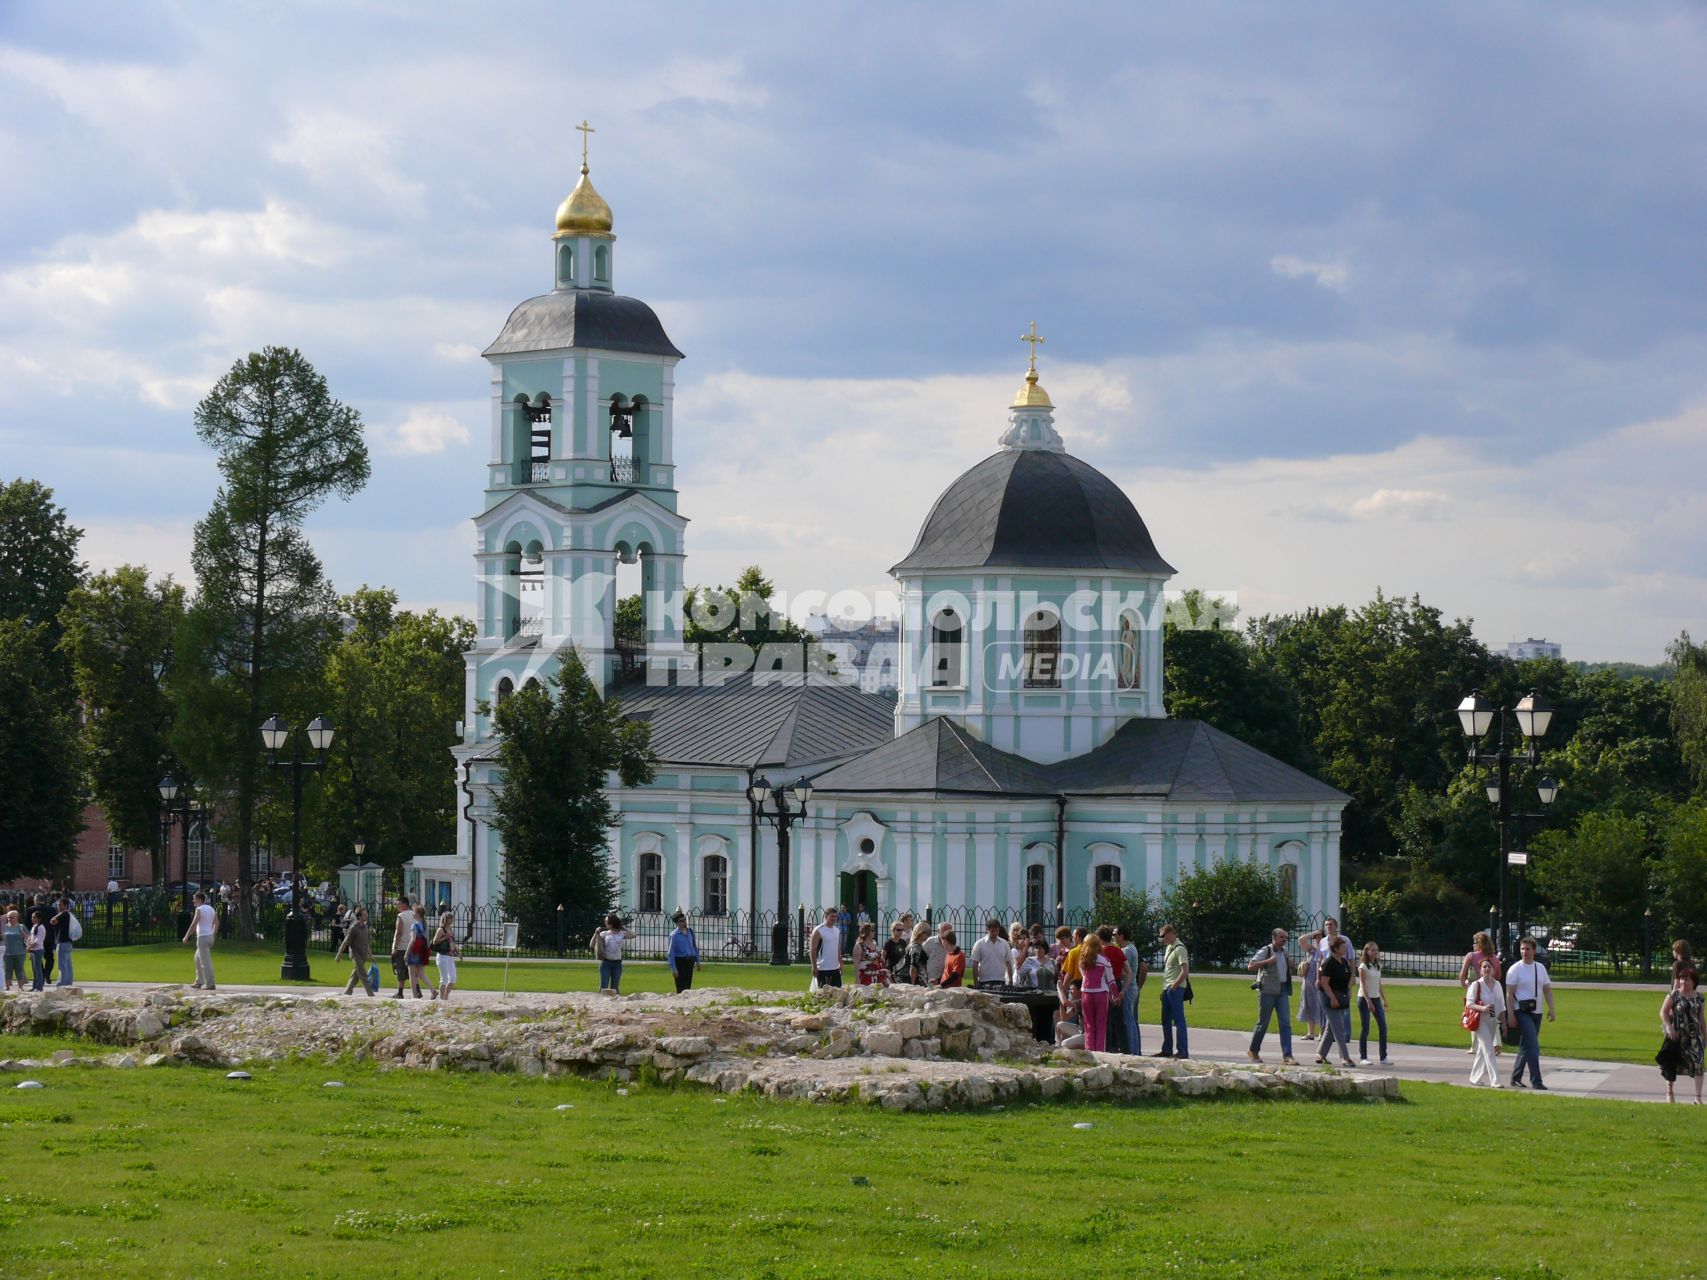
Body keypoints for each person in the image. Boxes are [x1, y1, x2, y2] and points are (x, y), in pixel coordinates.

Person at [1504, 936, 1556, 1089]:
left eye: (1527, 949)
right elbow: (1509, 994)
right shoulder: (1515, 969)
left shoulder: (1540, 968)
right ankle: (1537, 1081)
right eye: (1522, 949)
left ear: (1534, 950)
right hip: (1521, 1011)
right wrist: (1511, 1014)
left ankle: (1515, 1077)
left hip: (1537, 1012)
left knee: (1526, 1046)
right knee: (1533, 1045)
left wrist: (1551, 1009)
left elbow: (1547, 989)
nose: (1524, 952)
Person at [1247, 926, 1297, 1065]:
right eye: (1281, 937)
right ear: (1274, 938)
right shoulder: (1266, 950)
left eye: (1286, 938)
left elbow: (1288, 967)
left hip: (1282, 990)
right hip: (1267, 991)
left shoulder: (1285, 952)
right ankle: (1253, 1050)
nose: (1284, 940)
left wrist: (1291, 964)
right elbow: (1250, 966)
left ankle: (1287, 1056)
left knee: (1285, 1023)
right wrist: (1268, 962)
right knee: (1263, 1023)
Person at [1659, 965, 1705, 1104]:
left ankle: (1697, 1097)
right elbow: (1663, 1012)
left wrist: (1705, 1036)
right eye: (1682, 979)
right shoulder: (1674, 995)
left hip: (1694, 1036)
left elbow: (1701, 1018)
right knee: (1671, 1064)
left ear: (1694, 982)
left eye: (1687, 979)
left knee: (1698, 1063)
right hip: (1676, 1036)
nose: (1683, 982)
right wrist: (1669, 1028)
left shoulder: (1700, 998)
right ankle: (1669, 1092)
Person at [1459, 931, 1503, 1056]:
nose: (1473, 944)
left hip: (1476, 989)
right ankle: (1496, 1044)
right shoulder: (1494, 958)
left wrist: (1465, 985)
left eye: (1475, 942)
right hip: (1491, 989)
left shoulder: (1471, 956)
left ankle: (1475, 1046)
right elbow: (1499, 975)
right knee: (1492, 1016)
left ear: (1479, 943)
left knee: (1474, 1016)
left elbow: (1462, 975)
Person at [1464, 958, 1506, 1087]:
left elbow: (1501, 1006)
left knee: (1483, 1051)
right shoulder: (1476, 985)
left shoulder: (1497, 985)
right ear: (1480, 971)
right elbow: (1469, 1004)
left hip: (1493, 1021)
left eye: (1489, 967)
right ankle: (1496, 1081)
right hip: (1480, 1020)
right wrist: (1483, 1008)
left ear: (1493, 970)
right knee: (1489, 1049)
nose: (1487, 969)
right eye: (1484, 967)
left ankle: (1475, 1078)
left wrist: (1503, 1023)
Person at [1315, 934, 1356, 1067]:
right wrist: (1332, 998)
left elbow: (1347, 978)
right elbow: (1324, 983)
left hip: (1341, 996)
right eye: (1342, 947)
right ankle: (1345, 1057)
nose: (1345, 949)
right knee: (1338, 1027)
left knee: (1331, 1027)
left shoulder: (1343, 962)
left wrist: (1349, 990)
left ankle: (1320, 1054)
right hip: (1328, 996)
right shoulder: (1328, 963)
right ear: (1335, 948)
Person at [1156, 923, 1190, 1060]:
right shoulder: (1169, 948)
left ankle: (1182, 1051)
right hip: (1167, 988)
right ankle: (1167, 1049)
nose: (1161, 939)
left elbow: (1185, 970)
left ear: (1171, 933)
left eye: (1163, 936)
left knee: (1179, 1020)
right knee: (1165, 1020)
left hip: (1175, 989)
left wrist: (1174, 986)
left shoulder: (1179, 948)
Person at [1078, 933, 1113, 1052]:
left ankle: (1090, 1051)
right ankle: (1100, 1052)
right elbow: (1111, 980)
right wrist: (1116, 995)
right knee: (1101, 1025)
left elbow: (1083, 976)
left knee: (1089, 1025)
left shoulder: (1082, 961)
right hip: (1101, 994)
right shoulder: (1104, 960)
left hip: (1086, 994)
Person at [1357, 941, 1389, 1065]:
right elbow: (1363, 984)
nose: (1374, 952)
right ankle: (1363, 1057)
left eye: (1376, 950)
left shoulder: (1377, 965)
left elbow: (1378, 984)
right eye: (1372, 950)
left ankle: (1383, 1057)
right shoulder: (1363, 966)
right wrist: (1368, 1000)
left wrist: (1384, 1000)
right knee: (1365, 1028)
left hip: (1375, 998)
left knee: (1383, 1026)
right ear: (1367, 951)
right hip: (1364, 998)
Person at [333, 905, 376, 996]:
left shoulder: (365, 927)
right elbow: (345, 943)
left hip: (363, 955)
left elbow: (366, 943)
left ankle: (347, 993)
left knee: (355, 976)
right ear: (359, 917)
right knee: (364, 975)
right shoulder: (354, 928)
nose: (366, 916)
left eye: (366, 914)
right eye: (364, 915)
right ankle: (371, 995)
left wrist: (370, 955)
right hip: (356, 955)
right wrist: (338, 955)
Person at [1116, 924, 1144, 1056]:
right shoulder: (1132, 948)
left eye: (1116, 934)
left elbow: (1123, 972)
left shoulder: (1126, 951)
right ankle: (1136, 1050)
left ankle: (1131, 1051)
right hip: (1133, 988)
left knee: (1128, 1021)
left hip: (1127, 988)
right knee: (1132, 1021)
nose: (1114, 937)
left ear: (1121, 935)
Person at [182, 891, 218, 991]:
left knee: (205, 962)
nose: (193, 901)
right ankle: (199, 982)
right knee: (197, 958)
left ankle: (210, 984)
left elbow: (194, 924)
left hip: (202, 937)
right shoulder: (211, 908)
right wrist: (212, 934)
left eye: (195, 899)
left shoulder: (199, 909)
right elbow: (216, 923)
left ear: (199, 900)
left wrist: (186, 937)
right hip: (209, 937)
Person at [970, 918, 1014, 986]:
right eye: (993, 931)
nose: (995, 933)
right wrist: (975, 981)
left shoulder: (1004, 944)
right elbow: (975, 964)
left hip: (1000, 980)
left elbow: (1008, 963)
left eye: (997, 930)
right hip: (984, 980)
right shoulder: (979, 944)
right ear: (987, 929)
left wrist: (1010, 980)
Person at [1297, 931, 1324, 1040]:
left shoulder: (1325, 951)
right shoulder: (1310, 949)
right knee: (1308, 1005)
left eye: (1320, 938)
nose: (1317, 940)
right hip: (1308, 983)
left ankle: (1322, 1033)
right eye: (1315, 938)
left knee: (1320, 1007)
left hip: (1320, 983)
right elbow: (1301, 940)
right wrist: (1314, 932)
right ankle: (1310, 1033)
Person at [591, 914, 628, 993]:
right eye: (606, 922)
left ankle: (615, 1002)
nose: (606, 924)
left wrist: (623, 928)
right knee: (603, 986)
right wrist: (596, 933)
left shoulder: (621, 933)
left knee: (615, 987)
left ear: (612, 923)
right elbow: (591, 944)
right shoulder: (605, 933)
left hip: (617, 963)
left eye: (607, 922)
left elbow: (634, 935)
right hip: (606, 962)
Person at [405, 908, 436, 999]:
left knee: (412, 974)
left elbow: (413, 940)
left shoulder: (414, 925)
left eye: (414, 912)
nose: (413, 914)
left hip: (414, 951)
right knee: (421, 973)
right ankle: (433, 990)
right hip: (422, 951)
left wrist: (406, 953)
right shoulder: (425, 925)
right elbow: (426, 939)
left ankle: (414, 995)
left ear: (418, 914)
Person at [390, 895, 416, 999]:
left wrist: (395, 947)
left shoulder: (401, 916)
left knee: (400, 969)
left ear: (405, 904)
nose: (397, 905)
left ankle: (400, 992)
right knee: (413, 970)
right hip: (412, 946)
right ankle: (417, 990)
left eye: (398, 903)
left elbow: (398, 932)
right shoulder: (415, 914)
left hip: (402, 946)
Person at [666, 911, 700, 993]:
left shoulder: (690, 932)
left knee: (688, 987)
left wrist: (697, 961)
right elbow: (671, 953)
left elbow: (694, 947)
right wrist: (674, 969)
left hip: (689, 961)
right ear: (677, 923)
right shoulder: (674, 935)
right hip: (680, 962)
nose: (684, 922)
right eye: (681, 921)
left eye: (684, 920)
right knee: (681, 987)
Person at [810, 907, 843, 988]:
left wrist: (841, 963)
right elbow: (812, 949)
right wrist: (814, 966)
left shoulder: (837, 931)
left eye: (835, 916)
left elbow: (837, 949)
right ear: (826, 916)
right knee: (823, 994)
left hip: (834, 967)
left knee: (837, 992)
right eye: (832, 916)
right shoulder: (819, 930)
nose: (834, 918)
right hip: (822, 968)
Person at [432, 911, 460, 1002]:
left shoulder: (450, 929)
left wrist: (457, 952)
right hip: (442, 956)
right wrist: (445, 937)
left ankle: (446, 996)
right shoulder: (441, 929)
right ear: (445, 919)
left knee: (453, 978)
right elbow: (435, 941)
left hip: (450, 956)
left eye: (452, 918)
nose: (452, 920)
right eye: (450, 918)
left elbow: (452, 942)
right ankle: (442, 998)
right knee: (444, 978)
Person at [50, 894, 75, 987]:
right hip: (68, 941)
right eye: (58, 904)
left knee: (62, 964)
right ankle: (68, 982)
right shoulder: (69, 914)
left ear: (65, 905)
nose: (58, 906)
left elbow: (52, 921)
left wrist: (56, 916)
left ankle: (62, 983)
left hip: (62, 941)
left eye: (60, 904)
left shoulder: (64, 913)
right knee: (68, 963)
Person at [2, 909, 25, 991]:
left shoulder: (21, 926)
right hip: (8, 953)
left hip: (20, 952)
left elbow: (29, 937)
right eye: (8, 917)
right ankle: (7, 986)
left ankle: (20, 987)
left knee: (19, 969)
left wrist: (24, 936)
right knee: (8, 970)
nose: (9, 919)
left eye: (11, 917)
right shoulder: (5, 927)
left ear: (16, 917)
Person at [26, 908, 47, 991]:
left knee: (38, 970)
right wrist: (28, 942)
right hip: (33, 951)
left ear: (39, 918)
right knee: (34, 970)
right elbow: (31, 938)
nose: (32, 919)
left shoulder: (41, 927)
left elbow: (38, 941)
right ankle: (34, 987)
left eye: (34, 917)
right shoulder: (34, 926)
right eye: (32, 917)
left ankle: (39, 987)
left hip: (38, 950)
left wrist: (29, 946)